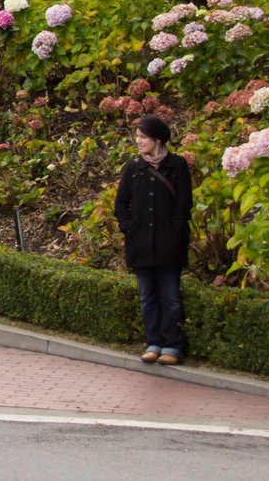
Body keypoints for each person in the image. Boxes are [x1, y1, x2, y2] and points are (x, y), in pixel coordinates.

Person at [114, 115, 194, 365]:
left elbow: (184, 203)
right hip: (140, 244)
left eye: (142, 137)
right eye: (137, 136)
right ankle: (153, 343)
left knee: (170, 296)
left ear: (158, 138)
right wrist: (128, 227)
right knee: (147, 296)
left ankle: (172, 345)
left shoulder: (178, 166)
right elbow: (120, 203)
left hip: (169, 244)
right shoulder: (133, 168)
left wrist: (176, 230)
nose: (137, 141)